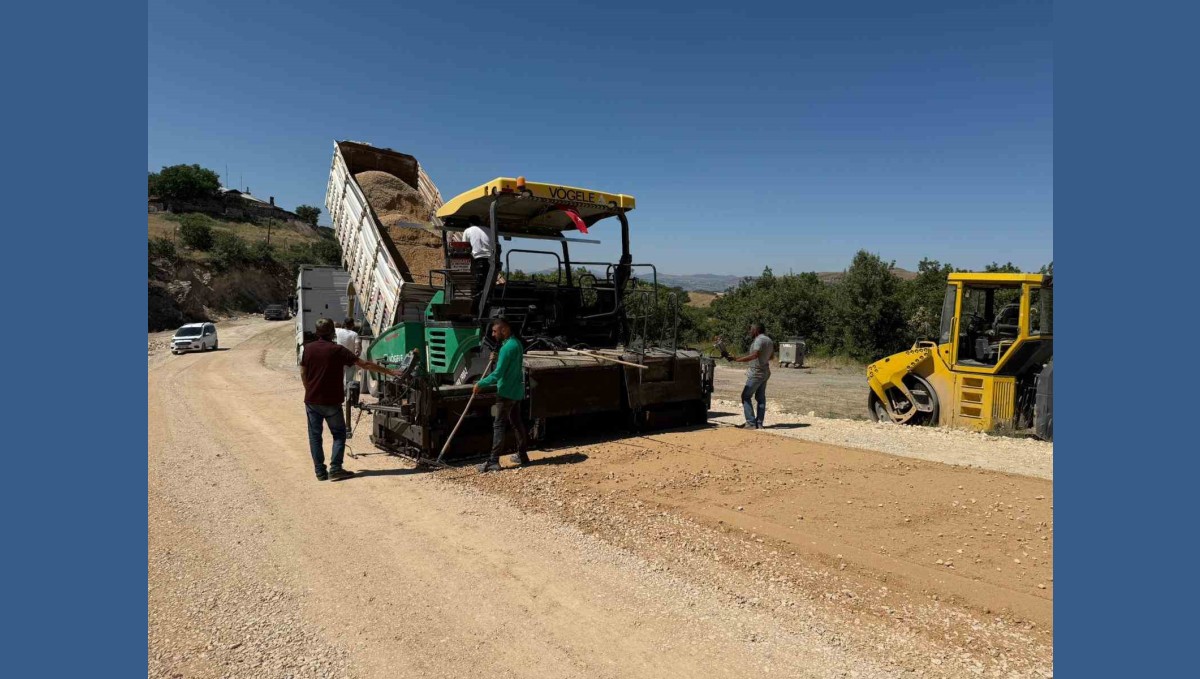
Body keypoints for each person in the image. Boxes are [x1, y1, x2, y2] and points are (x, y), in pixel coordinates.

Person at [300, 318, 401, 481]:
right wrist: (390, 371)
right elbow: (365, 365)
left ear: (317, 332)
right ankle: (336, 468)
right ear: (332, 332)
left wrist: (309, 390)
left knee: (314, 436)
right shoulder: (338, 350)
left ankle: (320, 472)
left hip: (312, 401)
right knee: (339, 435)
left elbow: (303, 373)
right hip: (332, 401)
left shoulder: (308, 349)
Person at [471, 314, 528, 472]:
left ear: (505, 329)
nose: (493, 334)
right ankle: (522, 455)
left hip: (505, 393)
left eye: (495, 331)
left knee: (498, 425)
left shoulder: (506, 348)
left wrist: (480, 384)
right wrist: (497, 358)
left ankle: (493, 461)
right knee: (517, 423)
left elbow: (498, 374)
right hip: (516, 391)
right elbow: (509, 364)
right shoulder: (516, 344)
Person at [726, 322, 773, 429]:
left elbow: (754, 355)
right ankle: (759, 423)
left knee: (746, 396)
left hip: (756, 373)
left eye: (751, 330)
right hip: (765, 372)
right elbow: (771, 357)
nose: (749, 332)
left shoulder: (758, 340)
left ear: (756, 330)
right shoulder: (769, 340)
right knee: (761, 398)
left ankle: (751, 423)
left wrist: (737, 359)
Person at [462, 216, 494, 316]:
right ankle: (488, 307)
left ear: (470, 223)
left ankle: (477, 313)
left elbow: (464, 248)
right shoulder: (489, 230)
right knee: (489, 286)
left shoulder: (468, 230)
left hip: (480, 261)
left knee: (479, 287)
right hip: (493, 262)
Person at [334, 318, 361, 388]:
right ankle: (347, 394)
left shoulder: (338, 331)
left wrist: (338, 324)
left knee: (339, 378)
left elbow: (334, 323)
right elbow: (357, 346)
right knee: (349, 380)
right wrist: (357, 353)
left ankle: (339, 393)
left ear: (344, 324)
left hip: (339, 358)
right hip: (349, 359)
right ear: (352, 325)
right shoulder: (355, 334)